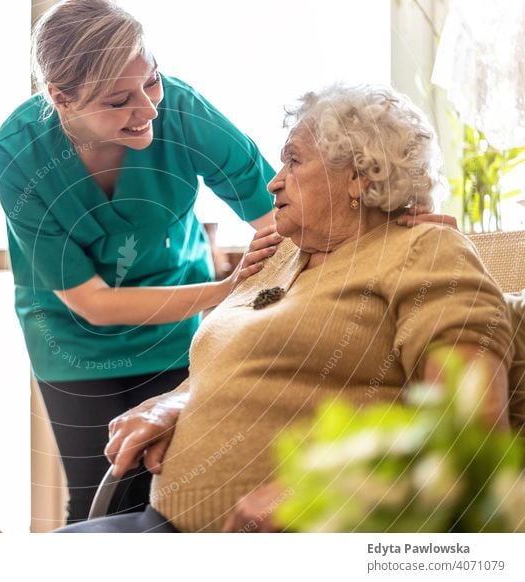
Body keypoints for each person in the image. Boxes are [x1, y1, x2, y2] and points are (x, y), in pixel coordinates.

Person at [59, 83, 512, 532]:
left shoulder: (425, 250)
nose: (273, 181)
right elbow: (228, 366)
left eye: (293, 160)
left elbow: (471, 427)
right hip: (160, 523)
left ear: (360, 174)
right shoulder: (276, 254)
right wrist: (173, 402)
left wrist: (324, 488)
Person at [0, 0, 280, 524]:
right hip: (70, 338)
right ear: (60, 97)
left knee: (172, 495)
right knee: (96, 498)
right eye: (119, 99)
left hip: (174, 325)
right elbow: (93, 304)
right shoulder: (19, 154)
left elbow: (281, 211)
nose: (147, 109)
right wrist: (223, 291)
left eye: (151, 82)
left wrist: (393, 221)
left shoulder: (183, 112)